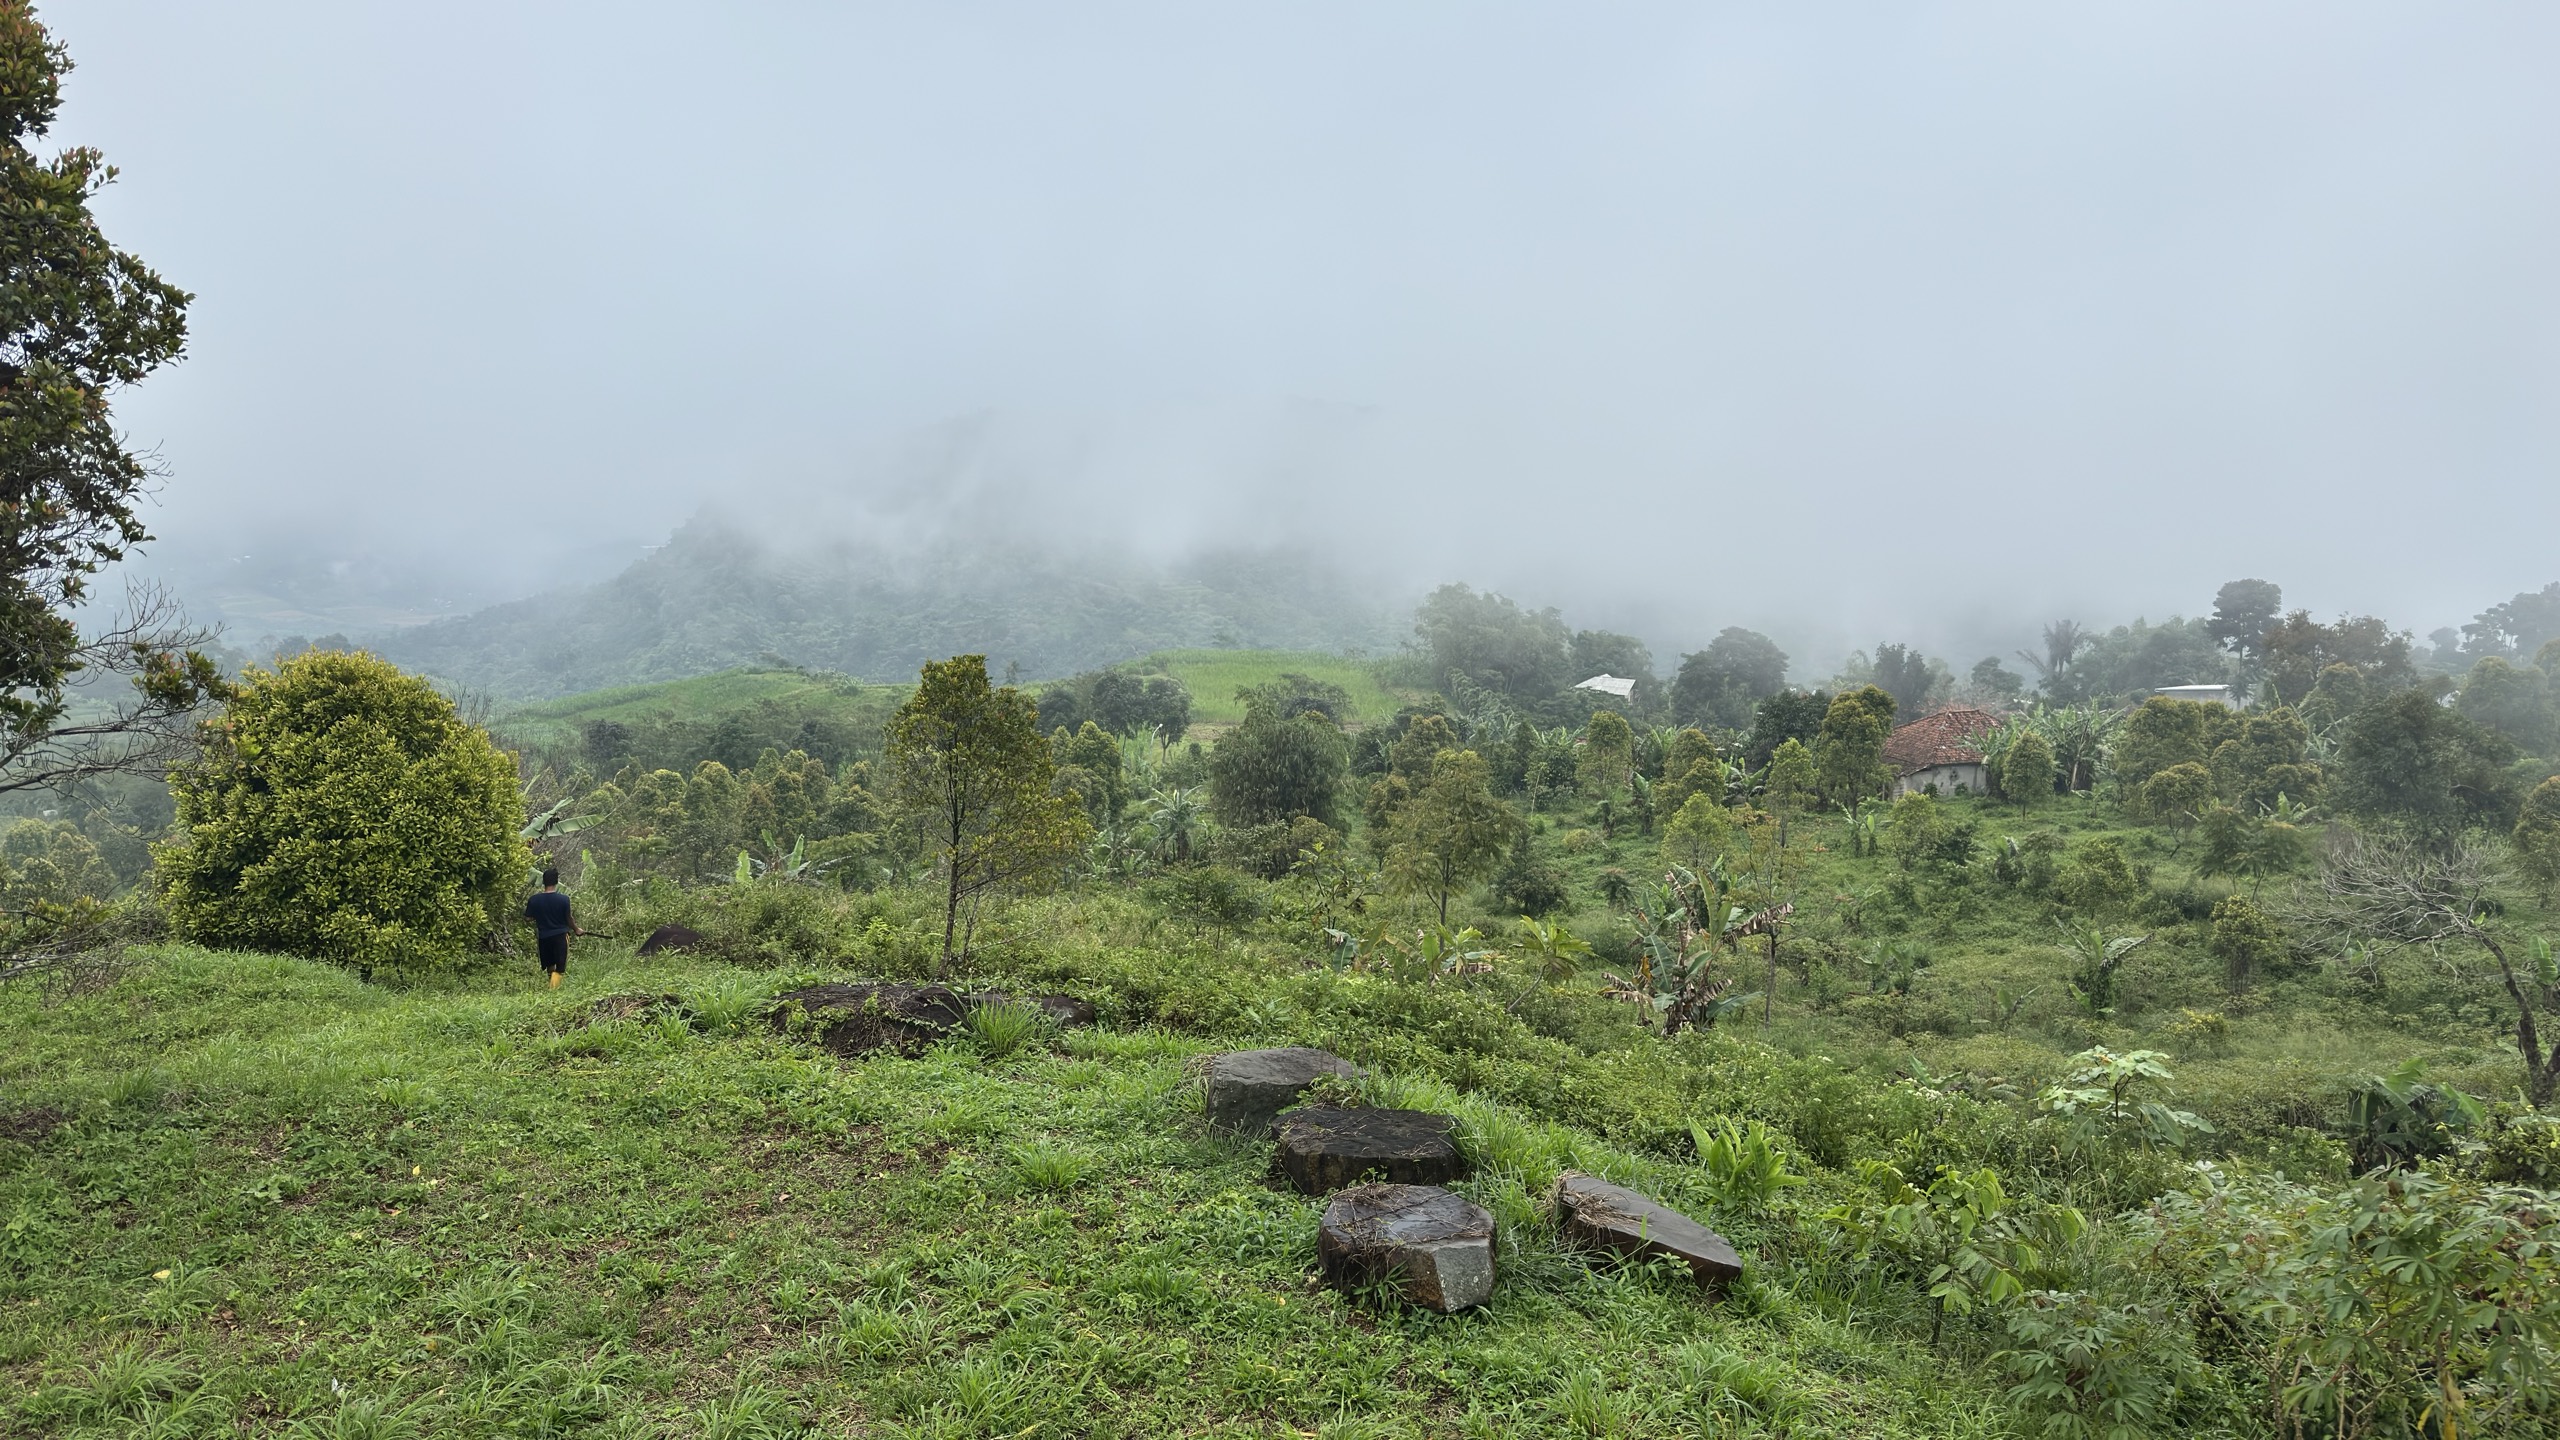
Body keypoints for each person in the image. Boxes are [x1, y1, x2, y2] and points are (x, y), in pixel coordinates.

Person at [523, 867, 584, 988]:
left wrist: (539, 916)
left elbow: (527, 918)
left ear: (544, 881)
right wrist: (577, 929)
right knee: (560, 967)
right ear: (556, 881)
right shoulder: (564, 900)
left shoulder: (534, 900)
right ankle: (553, 990)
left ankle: (551, 985)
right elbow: (569, 919)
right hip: (560, 936)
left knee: (550, 964)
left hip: (544, 937)